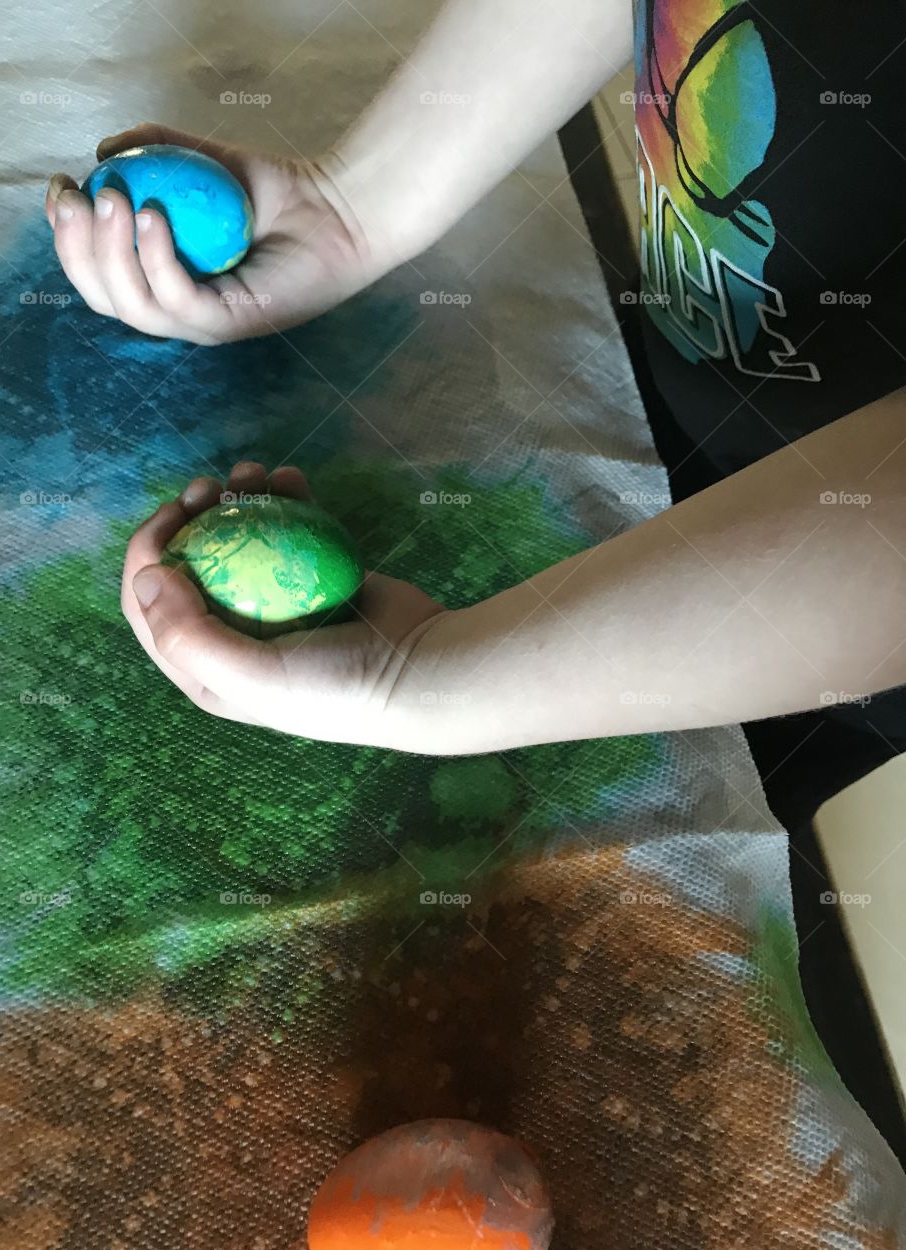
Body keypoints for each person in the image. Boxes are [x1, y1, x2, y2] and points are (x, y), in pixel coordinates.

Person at [44, 0, 905, 833]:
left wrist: (429, 682)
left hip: (832, 611)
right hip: (711, 376)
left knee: (715, 787)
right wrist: (353, 209)